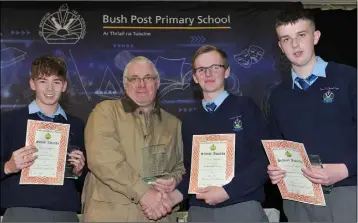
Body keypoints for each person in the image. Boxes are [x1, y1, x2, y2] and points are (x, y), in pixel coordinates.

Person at [159, 45, 270, 222]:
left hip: (241, 207)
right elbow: (192, 173)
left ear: (226, 72)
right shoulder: (190, 121)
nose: (208, 74)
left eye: (214, 68)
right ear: (195, 77)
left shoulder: (246, 108)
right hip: (199, 212)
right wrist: (172, 197)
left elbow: (265, 160)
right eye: (201, 69)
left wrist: (227, 191)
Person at [267, 8, 357, 222]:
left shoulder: (349, 78)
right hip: (298, 199)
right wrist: (272, 169)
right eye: (286, 39)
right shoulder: (277, 95)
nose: (295, 44)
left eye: (301, 35)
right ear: (280, 46)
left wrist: (346, 169)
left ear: (315, 37)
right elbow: (276, 146)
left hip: (347, 193)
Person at [82, 56, 185, 222]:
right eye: (134, 79)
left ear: (157, 83)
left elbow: (181, 166)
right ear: (125, 84)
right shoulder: (105, 112)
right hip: (111, 215)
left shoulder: (174, 124)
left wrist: (173, 180)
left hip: (159, 216)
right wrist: (144, 193)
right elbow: (103, 160)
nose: (141, 85)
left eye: (148, 78)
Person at [0, 56, 86, 222]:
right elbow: (5, 167)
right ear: (32, 84)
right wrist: (8, 166)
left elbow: (83, 179)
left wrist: (79, 171)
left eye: (56, 82)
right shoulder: (9, 121)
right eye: (43, 81)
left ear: (64, 86)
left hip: (65, 213)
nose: (50, 89)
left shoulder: (76, 125)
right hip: (22, 212)